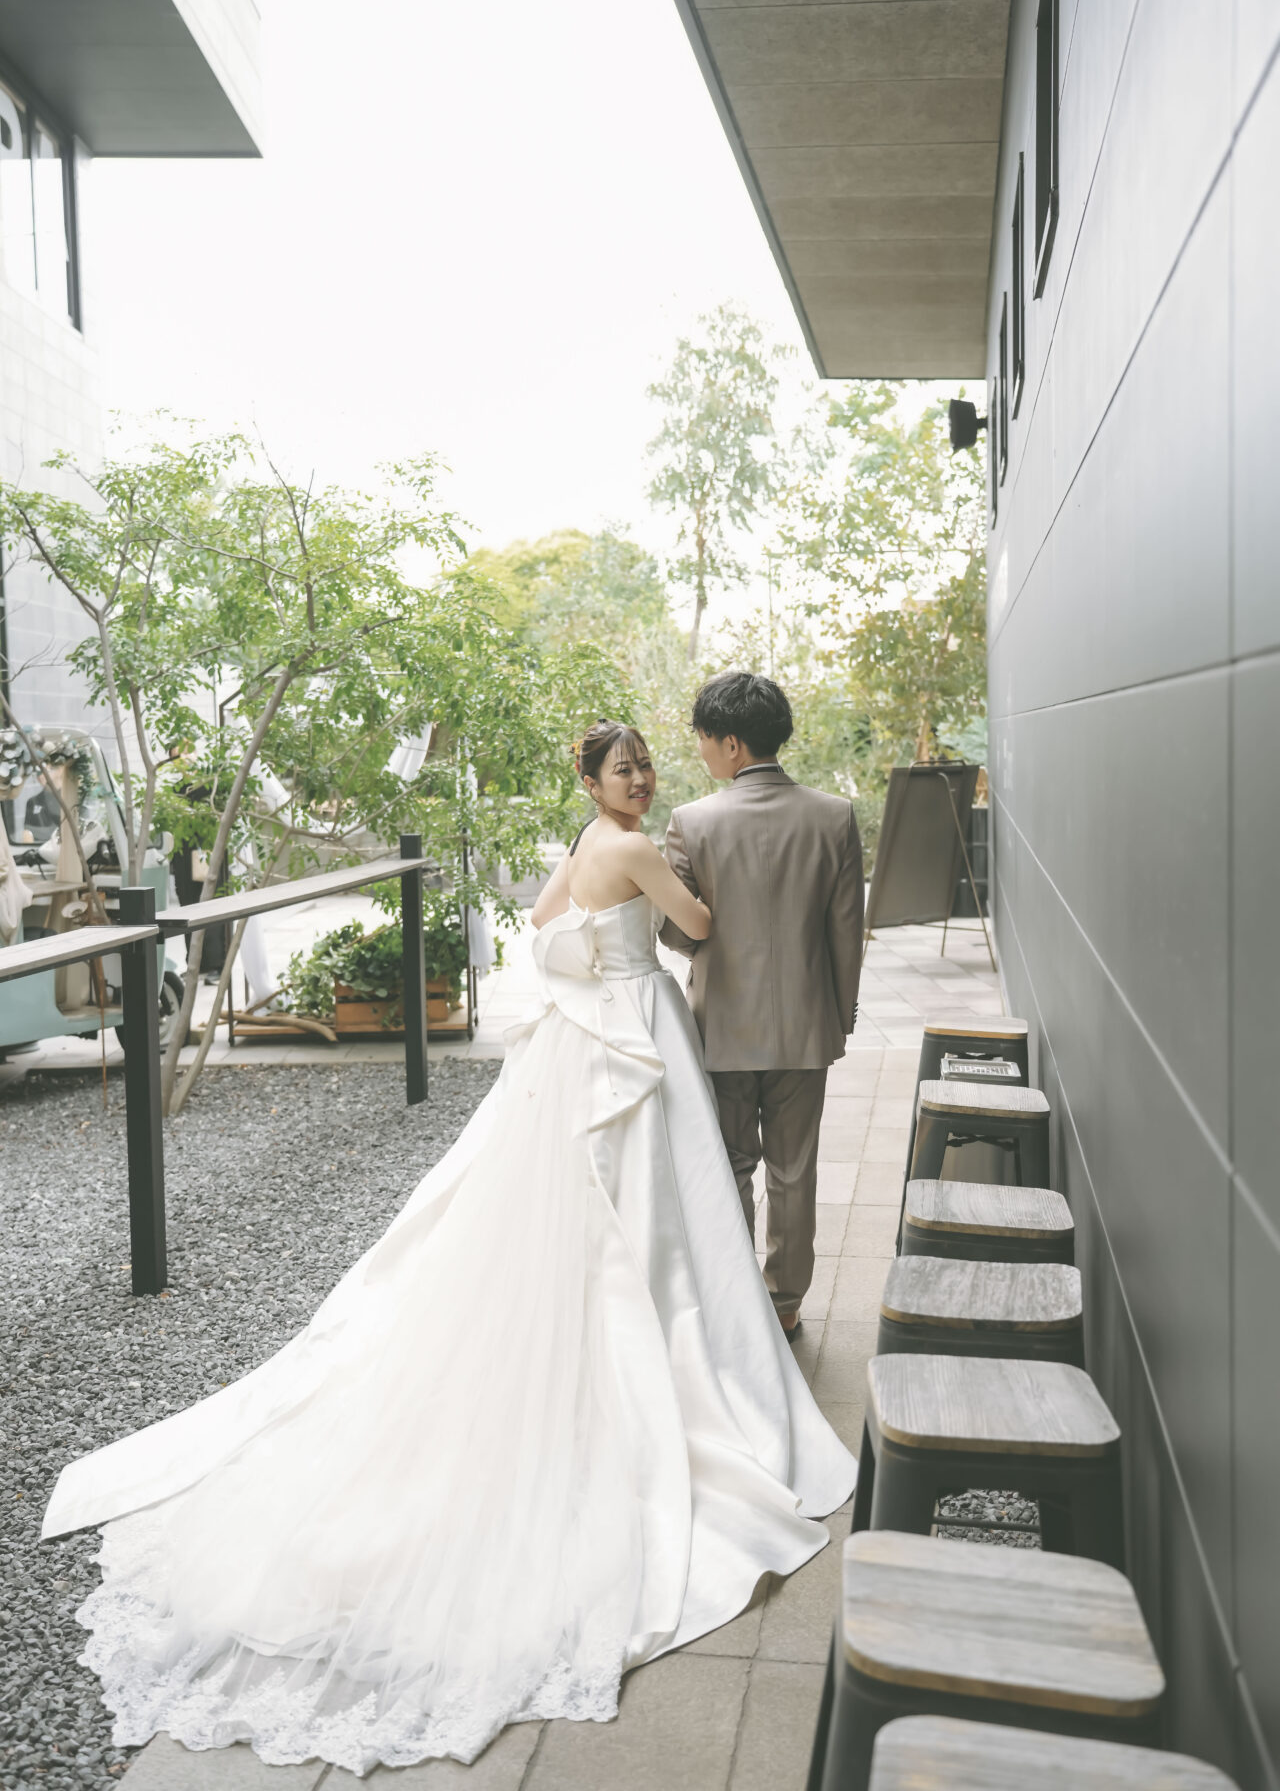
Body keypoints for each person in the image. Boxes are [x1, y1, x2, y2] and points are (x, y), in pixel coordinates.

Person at [41, 718, 855, 1778]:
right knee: (654, 1202)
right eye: (625, 770)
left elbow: (543, 921)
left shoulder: (584, 842)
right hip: (638, 1027)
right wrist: (694, 904)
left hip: (586, 1037)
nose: (642, 779)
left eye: (646, 765)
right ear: (592, 780)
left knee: (603, 1200)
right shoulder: (633, 846)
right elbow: (696, 925)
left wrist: (598, 944)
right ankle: (670, 1342)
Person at [660, 673, 864, 1342]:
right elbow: (846, 932)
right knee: (793, 1170)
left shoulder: (692, 822)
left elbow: (676, 933)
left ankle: (734, 1298)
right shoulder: (834, 816)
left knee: (730, 1166)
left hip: (720, 1029)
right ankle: (785, 1304)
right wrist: (839, 1016)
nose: (701, 750)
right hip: (806, 1028)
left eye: (703, 737)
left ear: (731, 742)